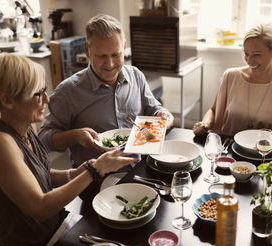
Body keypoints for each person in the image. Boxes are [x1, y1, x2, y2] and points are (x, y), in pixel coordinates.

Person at [0, 53, 137, 246]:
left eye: (45, 91)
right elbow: (40, 208)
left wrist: (79, 171)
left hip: (54, 233)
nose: (47, 99)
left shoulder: (24, 127)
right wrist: (94, 171)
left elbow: (42, 177)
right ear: (7, 100)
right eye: (38, 94)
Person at [38, 14, 173, 200]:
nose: (110, 64)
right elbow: (43, 139)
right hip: (95, 181)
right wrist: (75, 135)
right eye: (101, 56)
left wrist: (163, 114)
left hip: (140, 171)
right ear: (87, 50)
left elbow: (154, 110)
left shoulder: (136, 76)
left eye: (116, 54)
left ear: (124, 48)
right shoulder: (68, 92)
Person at [193, 24, 272, 145]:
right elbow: (213, 111)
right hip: (227, 149)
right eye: (246, 54)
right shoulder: (230, 76)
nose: (249, 61)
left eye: (256, 55)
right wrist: (205, 124)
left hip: (263, 156)